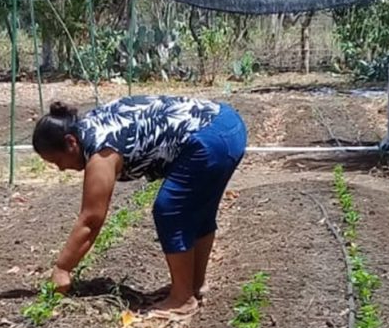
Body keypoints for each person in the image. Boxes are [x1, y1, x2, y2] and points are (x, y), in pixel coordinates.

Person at [31, 95, 248, 313]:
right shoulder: (88, 126)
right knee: (198, 210)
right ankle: (194, 285)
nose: (61, 168)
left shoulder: (101, 149)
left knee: (170, 210)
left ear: (71, 142)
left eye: (58, 161)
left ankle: (182, 298)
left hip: (210, 138)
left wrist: (62, 268)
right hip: (226, 124)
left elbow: (91, 219)